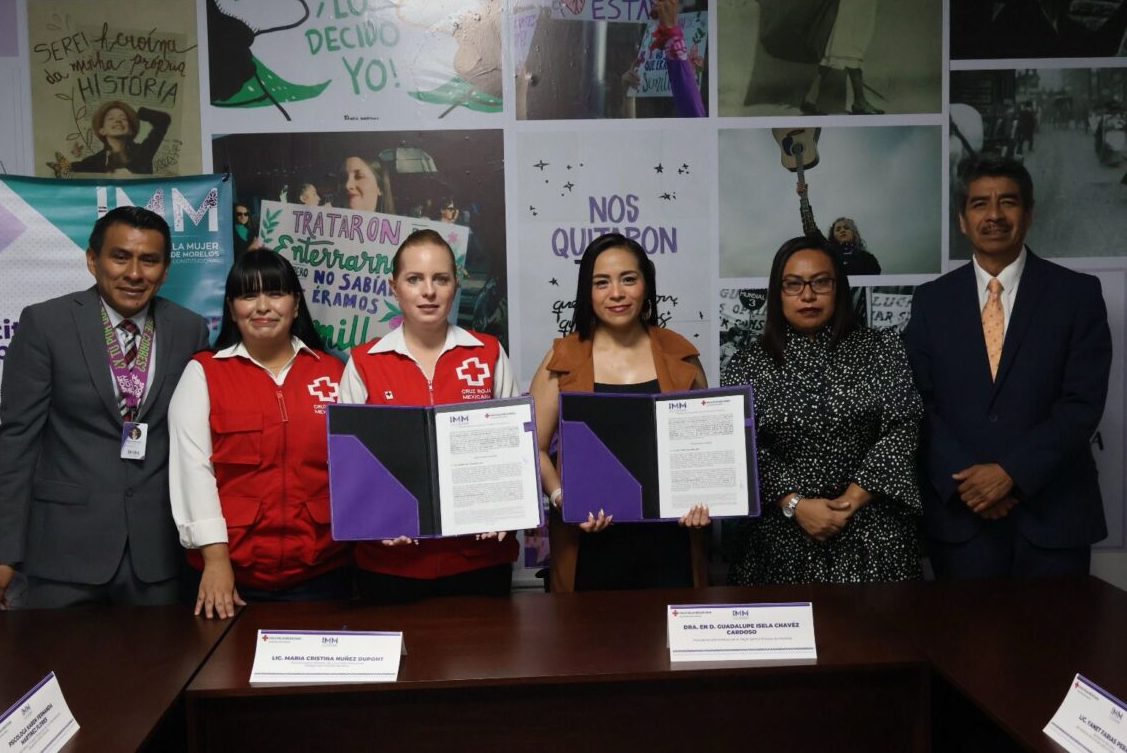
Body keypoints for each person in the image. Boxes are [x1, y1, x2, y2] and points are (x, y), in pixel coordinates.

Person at [0, 207, 210, 613]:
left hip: (158, 556)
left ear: (165, 270)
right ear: (92, 259)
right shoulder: (46, 324)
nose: (134, 273)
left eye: (149, 260)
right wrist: (3, 553)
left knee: (161, 657)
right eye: (120, 257)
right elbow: (17, 442)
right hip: (64, 553)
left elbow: (196, 445)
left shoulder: (189, 329)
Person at [906, 154, 1111, 579]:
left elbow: (1082, 403)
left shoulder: (1077, 295)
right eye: (980, 203)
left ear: (1028, 214)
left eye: (1008, 202)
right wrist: (971, 485)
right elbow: (916, 403)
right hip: (962, 522)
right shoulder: (931, 301)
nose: (994, 215)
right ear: (963, 220)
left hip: (1054, 519)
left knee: (1058, 627)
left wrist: (1012, 474)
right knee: (963, 628)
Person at [722, 236, 922, 584]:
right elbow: (741, 445)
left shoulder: (881, 349)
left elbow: (903, 426)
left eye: (820, 282)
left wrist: (849, 502)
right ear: (778, 292)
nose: (808, 295)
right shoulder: (748, 364)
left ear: (838, 288)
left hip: (872, 533)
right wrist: (795, 504)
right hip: (779, 539)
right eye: (793, 284)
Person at [339, 229, 519, 601]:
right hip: (390, 565)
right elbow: (349, 465)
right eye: (414, 279)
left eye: (441, 279)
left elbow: (515, 449)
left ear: (456, 284)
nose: (428, 291)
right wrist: (374, 522)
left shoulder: (487, 353)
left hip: (479, 560)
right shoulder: (363, 362)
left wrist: (508, 511)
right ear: (394, 287)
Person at [169, 249, 349, 618]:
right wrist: (216, 561)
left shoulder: (333, 372)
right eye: (249, 295)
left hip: (322, 572)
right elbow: (193, 472)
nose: (263, 306)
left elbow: (356, 468)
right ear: (232, 308)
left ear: (295, 304)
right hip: (229, 576)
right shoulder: (204, 373)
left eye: (276, 294)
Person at [529, 233, 710, 593]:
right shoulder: (562, 358)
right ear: (587, 291)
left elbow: (707, 444)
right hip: (588, 543)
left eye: (628, 279)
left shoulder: (681, 355)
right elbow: (532, 447)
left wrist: (705, 498)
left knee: (668, 628)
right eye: (602, 282)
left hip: (669, 542)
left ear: (646, 285)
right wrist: (564, 498)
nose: (616, 293)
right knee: (588, 629)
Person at [71, 101, 170, 175]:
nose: (118, 120)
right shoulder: (93, 162)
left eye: (123, 118)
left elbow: (163, 120)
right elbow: (66, 171)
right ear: (102, 130)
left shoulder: (143, 153)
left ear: (130, 129)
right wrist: (73, 156)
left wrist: (137, 114)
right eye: (111, 118)